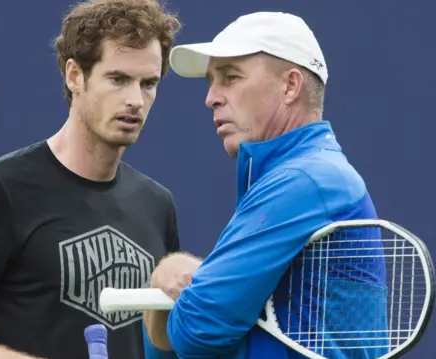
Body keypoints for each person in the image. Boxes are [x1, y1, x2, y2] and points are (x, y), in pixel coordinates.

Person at [0, 1, 182, 358]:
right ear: (74, 75)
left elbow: (161, 340)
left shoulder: (157, 203)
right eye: (118, 79)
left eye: (149, 83)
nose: (136, 100)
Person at [143, 11, 387, 359]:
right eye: (212, 80)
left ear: (290, 85)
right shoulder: (301, 177)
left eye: (230, 77)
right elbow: (169, 348)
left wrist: (176, 291)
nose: (211, 97)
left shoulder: (307, 180)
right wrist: (168, 275)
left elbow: (196, 331)